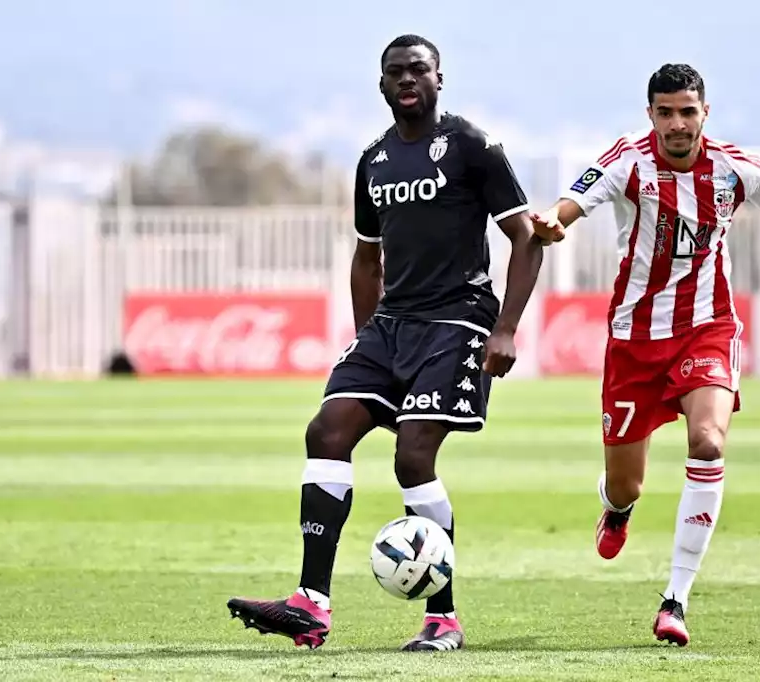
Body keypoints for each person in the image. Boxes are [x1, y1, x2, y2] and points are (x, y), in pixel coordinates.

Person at [226, 34, 545, 653]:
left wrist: (506, 327)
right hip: (390, 327)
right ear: (381, 86)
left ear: (439, 79)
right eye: (396, 72)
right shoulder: (372, 161)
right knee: (327, 430)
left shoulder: (474, 147)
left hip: (458, 323)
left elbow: (525, 237)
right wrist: (364, 335)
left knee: (412, 454)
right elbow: (366, 258)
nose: (407, 80)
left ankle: (442, 620)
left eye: (418, 70)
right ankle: (311, 605)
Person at [529, 63, 760, 647]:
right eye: (665, 112)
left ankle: (676, 600)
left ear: (704, 114)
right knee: (626, 485)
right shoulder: (628, 160)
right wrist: (551, 225)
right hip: (635, 341)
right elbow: (572, 202)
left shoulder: (736, 167)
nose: (676, 124)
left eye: (687, 112)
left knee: (709, 443)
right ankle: (615, 510)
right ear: (651, 116)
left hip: (707, 328)